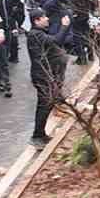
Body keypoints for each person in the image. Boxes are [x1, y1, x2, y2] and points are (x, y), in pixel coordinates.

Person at [25, 8, 75, 146]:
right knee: (44, 105)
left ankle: (40, 134)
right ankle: (37, 136)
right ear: (36, 21)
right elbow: (57, 40)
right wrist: (64, 26)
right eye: (44, 17)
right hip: (42, 76)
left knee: (49, 103)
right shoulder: (35, 35)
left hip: (47, 75)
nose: (47, 19)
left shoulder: (40, 33)